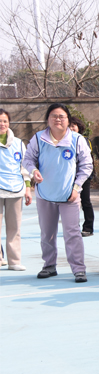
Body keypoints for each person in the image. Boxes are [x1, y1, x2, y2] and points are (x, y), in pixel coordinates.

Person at [23, 103, 93, 282]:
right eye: (53, 116)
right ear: (48, 119)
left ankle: (78, 269)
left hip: (69, 195)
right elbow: (28, 159)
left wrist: (76, 188)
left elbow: (87, 166)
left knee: (72, 233)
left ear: (68, 120)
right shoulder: (39, 138)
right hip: (45, 194)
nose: (58, 119)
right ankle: (49, 265)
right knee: (47, 233)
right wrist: (33, 171)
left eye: (62, 116)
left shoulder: (77, 139)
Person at [0, 109, 33, 270]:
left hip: (15, 189)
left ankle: (14, 261)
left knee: (14, 228)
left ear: (9, 123)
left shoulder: (19, 143)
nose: (2, 124)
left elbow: (24, 167)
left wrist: (28, 188)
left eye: (5, 121)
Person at [68, 116, 95, 237]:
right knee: (71, 203)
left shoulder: (84, 140)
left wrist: (88, 175)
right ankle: (74, 227)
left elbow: (88, 159)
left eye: (73, 126)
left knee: (85, 202)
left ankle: (88, 228)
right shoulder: (64, 141)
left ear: (79, 127)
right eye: (69, 126)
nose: (71, 128)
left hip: (83, 177)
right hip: (69, 177)